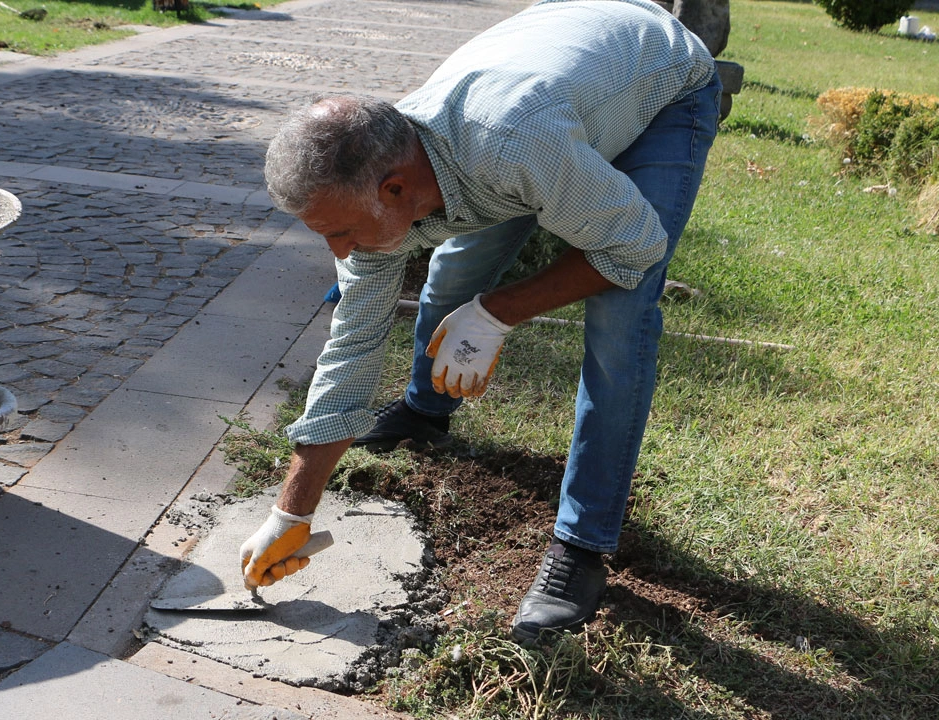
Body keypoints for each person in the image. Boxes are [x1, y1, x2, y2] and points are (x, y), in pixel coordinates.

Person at [239, 0, 721, 643]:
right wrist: (290, 512)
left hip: (661, 84)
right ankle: (424, 411)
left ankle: (581, 548)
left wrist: (499, 312)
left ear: (394, 190)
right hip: (555, 105)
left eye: (342, 232)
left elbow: (635, 248)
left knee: (621, 315)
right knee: (452, 276)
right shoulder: (390, 172)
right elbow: (352, 344)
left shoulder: (511, 145)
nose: (340, 252)